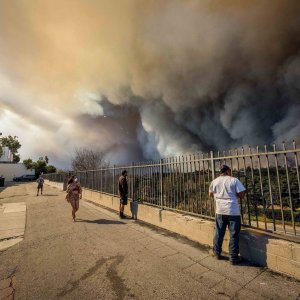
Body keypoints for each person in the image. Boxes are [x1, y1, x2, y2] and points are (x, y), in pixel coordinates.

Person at [209, 164, 246, 265]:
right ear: (228, 171)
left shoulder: (214, 181)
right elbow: (241, 195)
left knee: (219, 232)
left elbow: (210, 194)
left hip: (220, 211)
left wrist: (219, 196)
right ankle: (233, 258)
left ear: (220, 172)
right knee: (234, 234)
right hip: (233, 211)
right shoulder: (234, 180)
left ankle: (216, 253)